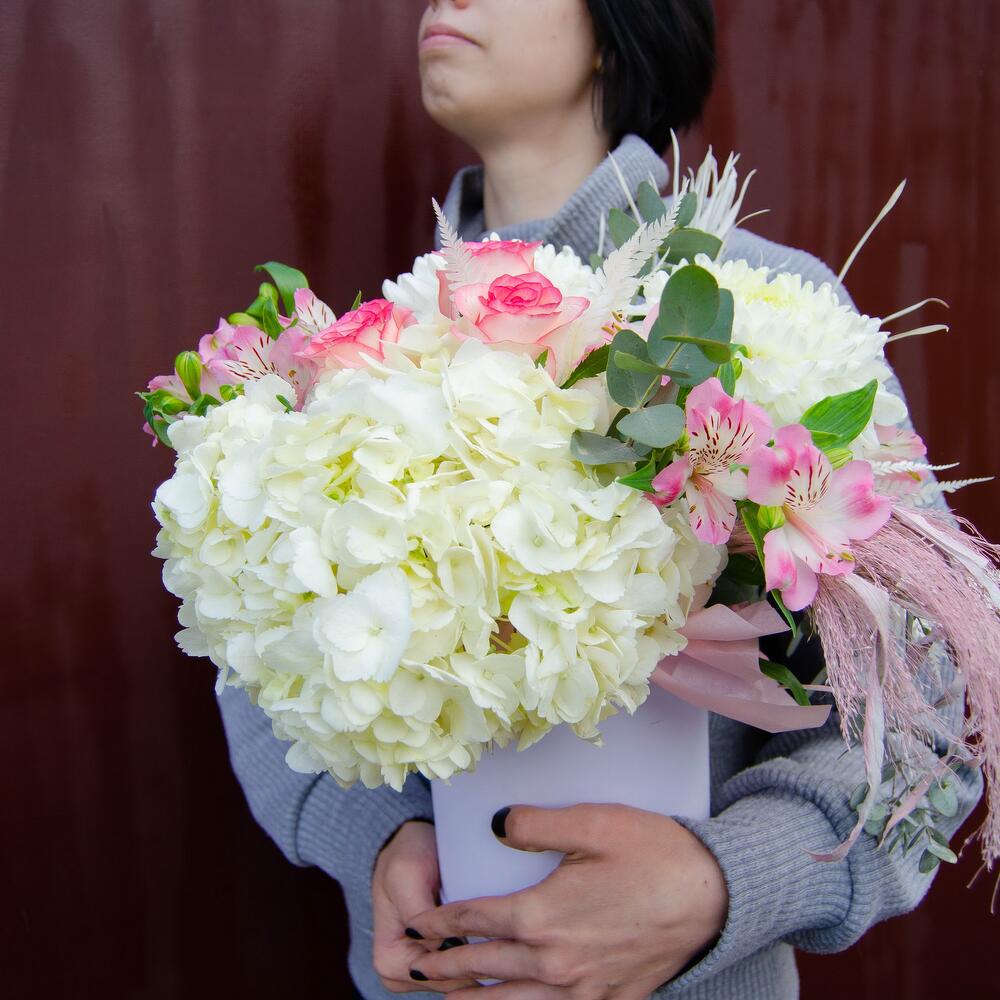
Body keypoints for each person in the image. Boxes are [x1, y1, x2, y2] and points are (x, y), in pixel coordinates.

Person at [216, 2, 982, 997]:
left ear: (617, 27)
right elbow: (258, 665)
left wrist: (721, 882)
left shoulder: (763, 314)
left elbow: (928, 715)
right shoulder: (367, 351)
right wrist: (378, 837)